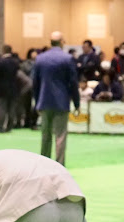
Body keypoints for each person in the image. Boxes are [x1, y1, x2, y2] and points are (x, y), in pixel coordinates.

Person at [32, 31, 80, 165]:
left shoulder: (40, 59)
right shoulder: (67, 59)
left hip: (44, 101)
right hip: (61, 102)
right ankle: (59, 165)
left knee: (45, 136)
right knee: (60, 136)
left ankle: (44, 164)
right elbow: (73, 83)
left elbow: (35, 83)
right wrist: (76, 103)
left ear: (50, 42)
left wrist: (37, 101)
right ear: (62, 42)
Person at [0, 45, 20, 133]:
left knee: (2, 108)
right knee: (12, 109)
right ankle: (10, 126)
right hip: (13, 87)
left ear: (3, 50)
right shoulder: (15, 62)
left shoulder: (0, 61)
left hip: (2, 88)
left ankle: (0, 127)